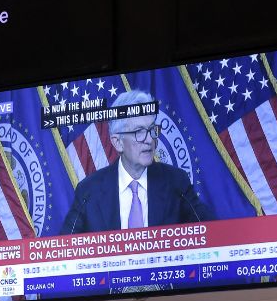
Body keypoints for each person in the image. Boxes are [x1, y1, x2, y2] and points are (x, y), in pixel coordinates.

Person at [61, 90, 213, 234]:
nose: (149, 140)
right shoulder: (89, 190)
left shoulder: (176, 182)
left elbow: (211, 232)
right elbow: (66, 247)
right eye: (139, 132)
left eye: (152, 130)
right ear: (117, 142)